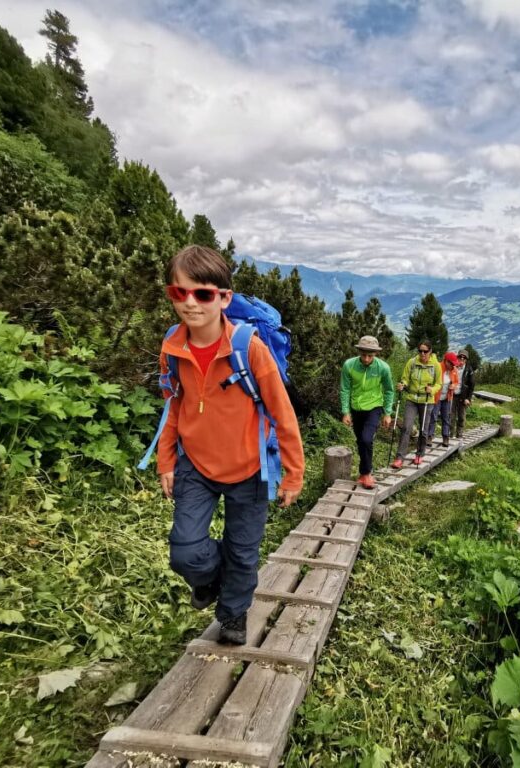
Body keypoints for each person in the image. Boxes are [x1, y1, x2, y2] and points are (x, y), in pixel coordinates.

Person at [156, 245, 304, 645]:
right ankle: (208, 579)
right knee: (185, 549)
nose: (190, 303)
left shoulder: (249, 348)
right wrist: (166, 460)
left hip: (251, 469)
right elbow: (174, 405)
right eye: (179, 293)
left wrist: (293, 473)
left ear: (223, 297)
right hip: (195, 465)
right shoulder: (173, 346)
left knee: (242, 552)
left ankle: (233, 615)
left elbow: (282, 413)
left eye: (202, 294)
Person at [340, 335, 394, 489]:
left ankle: (367, 473)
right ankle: (363, 473)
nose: (366, 359)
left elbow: (389, 390)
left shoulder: (383, 368)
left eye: (370, 355)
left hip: (374, 407)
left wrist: (387, 413)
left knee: (366, 439)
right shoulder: (349, 365)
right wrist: (345, 412)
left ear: (375, 354)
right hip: (356, 408)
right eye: (363, 355)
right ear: (359, 352)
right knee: (360, 441)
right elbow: (345, 389)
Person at [391, 342, 440, 468]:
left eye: (425, 351)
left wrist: (432, 390)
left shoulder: (435, 365)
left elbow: (439, 384)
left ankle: (420, 454)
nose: (422, 354)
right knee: (406, 427)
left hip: (426, 400)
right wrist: (403, 384)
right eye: (420, 351)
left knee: (424, 429)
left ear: (430, 351)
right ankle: (399, 458)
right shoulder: (412, 362)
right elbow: (405, 377)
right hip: (411, 399)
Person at [428, 351, 460, 446]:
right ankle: (429, 437)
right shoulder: (438, 367)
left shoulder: (454, 370)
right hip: (436, 398)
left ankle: (445, 437)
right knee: (433, 417)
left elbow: (456, 382)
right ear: (446, 361)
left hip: (447, 398)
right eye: (452, 364)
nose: (454, 366)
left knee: (446, 418)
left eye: (454, 364)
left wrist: (453, 386)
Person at [452, 348, 476, 439]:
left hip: (463, 396)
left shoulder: (469, 370)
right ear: (457, 357)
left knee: (461, 416)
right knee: (451, 416)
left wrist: (468, 398)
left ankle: (459, 434)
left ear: (466, 359)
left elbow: (472, 385)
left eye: (464, 358)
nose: (461, 359)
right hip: (453, 395)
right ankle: (450, 434)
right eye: (460, 357)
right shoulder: (453, 367)